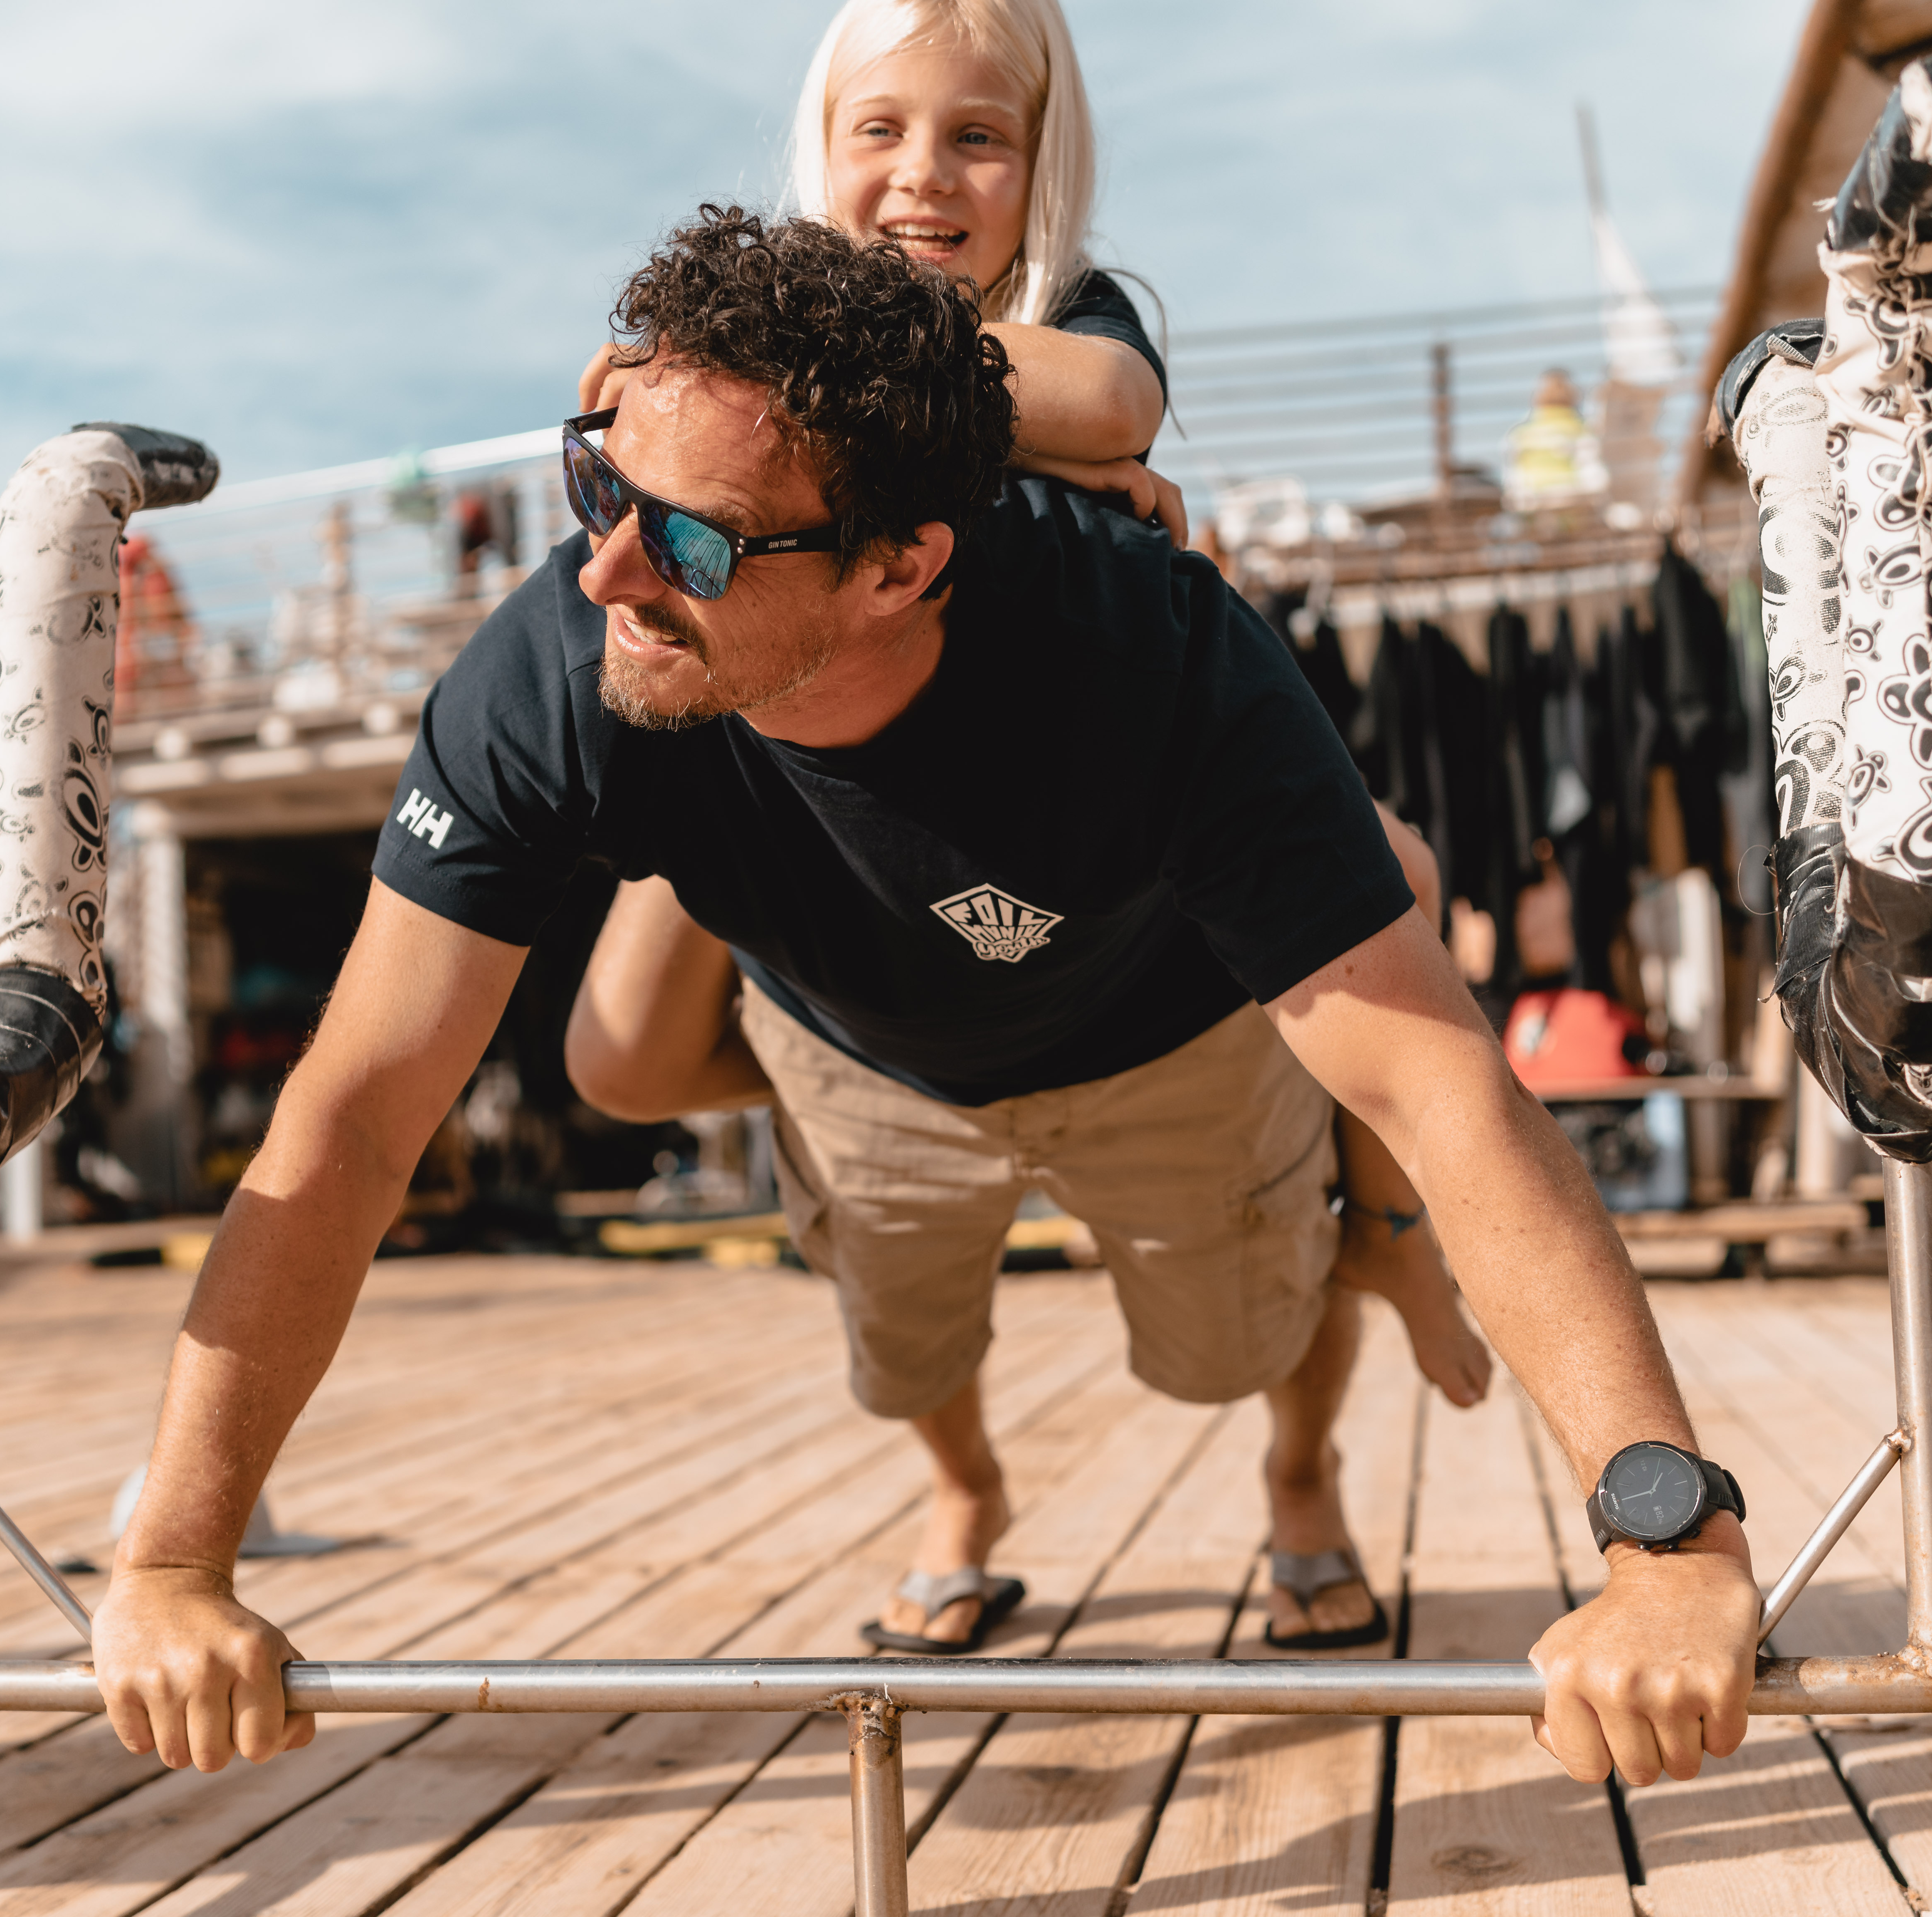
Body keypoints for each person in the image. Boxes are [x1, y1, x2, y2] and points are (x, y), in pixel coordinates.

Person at [94, 210, 1759, 1789]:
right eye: (596, 481)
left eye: (688, 540)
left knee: (1230, 1353)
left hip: (1158, 1032)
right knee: (895, 1360)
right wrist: (172, 1562)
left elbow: (1448, 1090)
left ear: (896, 568)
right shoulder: (560, 662)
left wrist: (1669, 1546)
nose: (605, 572)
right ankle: (968, 1501)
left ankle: (1305, 1449)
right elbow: (356, 1117)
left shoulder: (1154, 663)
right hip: (860, 1044)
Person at [563, 0, 1494, 1520]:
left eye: (978, 136)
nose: (925, 173)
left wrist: (954, 409)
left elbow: (1113, 402)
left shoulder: (1077, 315)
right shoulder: (754, 319)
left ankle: (1337, 1361)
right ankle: (963, 1488)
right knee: (617, 1063)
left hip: (1108, 933)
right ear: (818, 147)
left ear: (1044, 164)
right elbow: (621, 404)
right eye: (880, 129)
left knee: (1393, 888)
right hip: (817, 836)